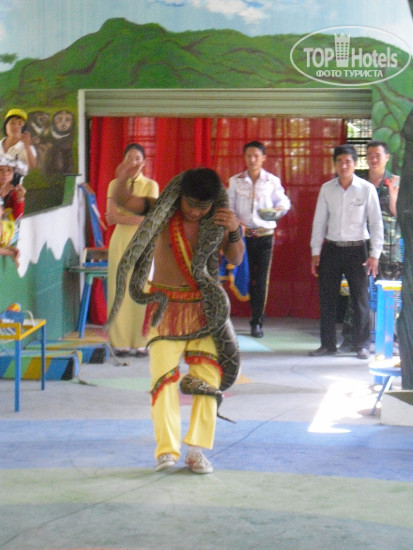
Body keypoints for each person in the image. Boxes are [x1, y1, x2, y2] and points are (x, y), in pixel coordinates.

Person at [112, 163, 244, 474]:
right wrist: (123, 176)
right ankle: (166, 451)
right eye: (191, 205)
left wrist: (234, 230)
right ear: (180, 195)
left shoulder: (218, 218)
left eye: (203, 207)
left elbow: (236, 257)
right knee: (162, 379)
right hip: (165, 305)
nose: (196, 213)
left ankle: (196, 451)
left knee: (208, 379)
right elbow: (123, 199)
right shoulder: (160, 209)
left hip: (204, 309)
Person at [309, 144, 383, 360]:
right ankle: (327, 344)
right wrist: (315, 251)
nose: (343, 166)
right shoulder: (327, 189)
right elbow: (319, 222)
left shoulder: (366, 189)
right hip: (331, 249)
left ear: (355, 164)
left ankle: (361, 345)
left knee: (360, 299)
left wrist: (375, 254)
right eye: (339, 162)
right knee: (327, 299)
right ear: (334, 164)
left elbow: (376, 222)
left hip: (358, 250)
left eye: (348, 162)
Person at [339, 140, 403, 353]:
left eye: (378, 155)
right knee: (357, 294)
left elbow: (399, 214)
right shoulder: (358, 181)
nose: (373, 159)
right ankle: (352, 339)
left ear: (387, 158)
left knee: (390, 296)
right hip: (360, 245)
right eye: (370, 155)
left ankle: (391, 339)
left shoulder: (396, 181)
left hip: (388, 247)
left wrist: (393, 194)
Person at [228, 140, 291, 338]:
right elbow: (228, 206)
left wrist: (279, 209)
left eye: (256, 156)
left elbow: (284, 202)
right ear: (244, 158)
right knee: (246, 277)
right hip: (242, 237)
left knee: (262, 280)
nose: (253, 159)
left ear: (264, 158)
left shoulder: (272, 181)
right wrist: (235, 220)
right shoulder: (235, 181)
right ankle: (243, 314)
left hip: (265, 236)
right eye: (249, 156)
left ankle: (257, 322)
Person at [105, 143, 159, 357]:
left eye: (137, 158)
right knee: (118, 289)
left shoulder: (151, 185)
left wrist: (122, 217)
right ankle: (120, 342)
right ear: (123, 161)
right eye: (129, 157)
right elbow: (110, 217)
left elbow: (150, 219)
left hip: (144, 242)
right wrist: (132, 218)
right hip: (120, 241)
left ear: (143, 163)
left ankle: (141, 340)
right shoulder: (115, 184)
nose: (133, 162)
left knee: (142, 288)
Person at [1, 108, 36, 186]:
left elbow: (32, 166)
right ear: (5, 126)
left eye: (20, 124)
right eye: (12, 123)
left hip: (13, 189)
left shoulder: (27, 148)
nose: (16, 127)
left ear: (24, 129)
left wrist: (27, 146)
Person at [0, 153, 26, 221]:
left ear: (13, 173)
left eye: (9, 170)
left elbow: (17, 218)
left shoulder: (14, 192)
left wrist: (20, 199)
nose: (5, 174)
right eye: (0, 170)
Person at [0, 196, 20, 267]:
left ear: (3, 210)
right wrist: (10, 252)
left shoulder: (8, 226)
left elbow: (5, 246)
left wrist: (12, 249)